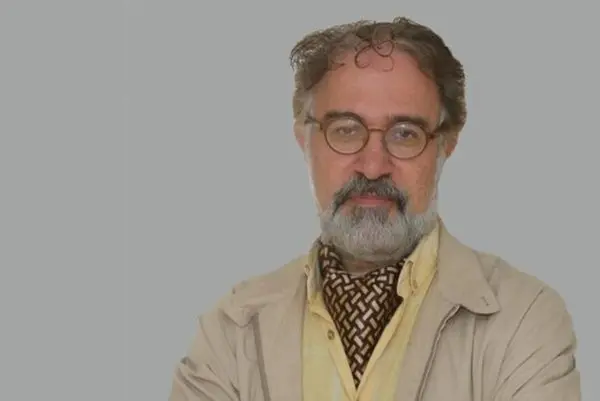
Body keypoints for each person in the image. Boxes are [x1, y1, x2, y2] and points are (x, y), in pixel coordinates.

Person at [168, 17, 580, 401]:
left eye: (405, 134)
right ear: (304, 140)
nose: (372, 165)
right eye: (346, 130)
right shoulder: (232, 330)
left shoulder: (524, 318)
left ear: (446, 144)